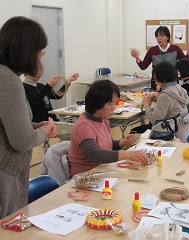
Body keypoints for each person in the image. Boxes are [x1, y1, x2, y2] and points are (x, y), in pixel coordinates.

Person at [0, 16, 57, 218]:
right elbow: (22, 141)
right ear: (25, 49)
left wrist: (33, 126)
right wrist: (43, 131)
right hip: (5, 173)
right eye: (39, 51)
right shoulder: (8, 79)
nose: (40, 57)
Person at [68, 80, 149, 177]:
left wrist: (122, 143)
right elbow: (94, 154)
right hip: (85, 177)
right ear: (97, 104)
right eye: (110, 104)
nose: (114, 108)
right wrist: (128, 154)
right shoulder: (84, 126)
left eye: (114, 103)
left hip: (102, 170)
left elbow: (106, 145)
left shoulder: (102, 119)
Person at [134, 61, 189, 142]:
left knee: (134, 131)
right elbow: (172, 105)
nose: (155, 81)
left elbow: (154, 119)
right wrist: (158, 98)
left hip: (169, 133)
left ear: (163, 78)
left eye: (156, 78)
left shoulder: (165, 95)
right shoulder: (180, 88)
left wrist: (146, 105)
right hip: (182, 130)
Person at [131, 26, 189, 90]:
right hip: (157, 82)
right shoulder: (152, 50)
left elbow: (185, 64)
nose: (159, 38)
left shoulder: (175, 49)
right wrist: (136, 57)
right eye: (157, 36)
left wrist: (188, 50)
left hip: (172, 82)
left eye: (162, 36)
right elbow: (143, 66)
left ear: (167, 37)